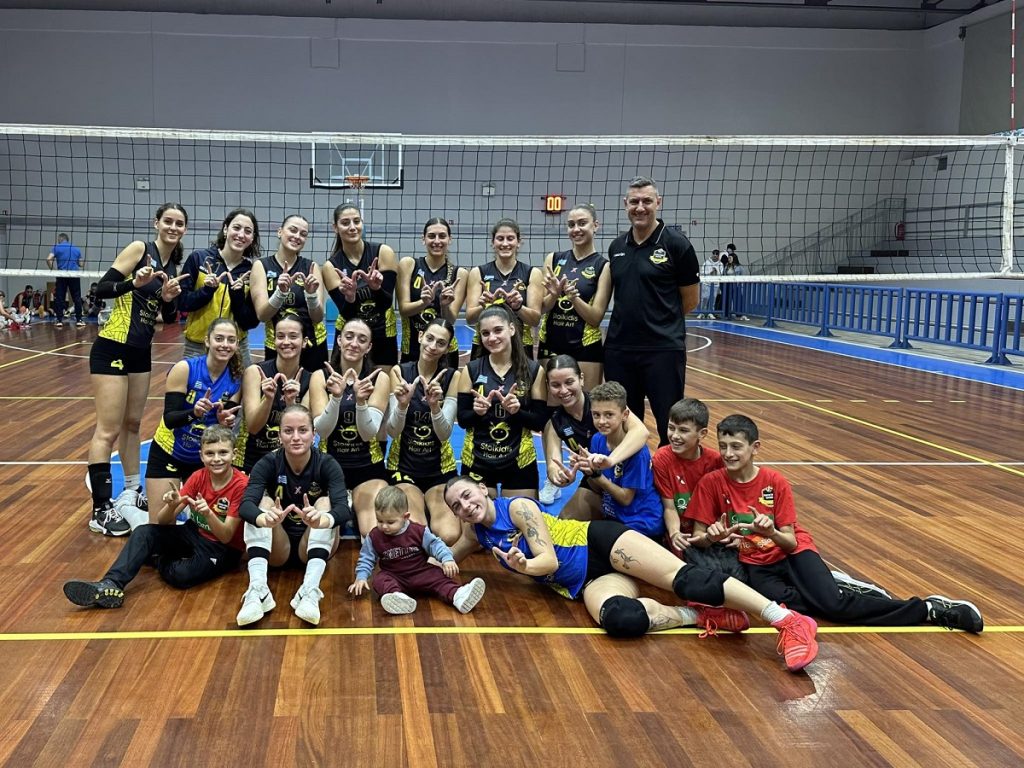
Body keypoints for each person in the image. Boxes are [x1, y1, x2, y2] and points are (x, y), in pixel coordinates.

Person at [443, 476, 820, 672]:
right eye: (456, 506)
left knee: (684, 579)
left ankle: (786, 620)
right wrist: (424, 562)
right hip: (585, 582)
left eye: (467, 495)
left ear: (482, 489)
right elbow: (449, 556)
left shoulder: (518, 508)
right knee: (621, 619)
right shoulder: (477, 534)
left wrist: (522, 566)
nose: (465, 506)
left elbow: (549, 562)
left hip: (598, 542)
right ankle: (702, 616)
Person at [684, 414, 983, 633]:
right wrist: (712, 536)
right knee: (796, 605)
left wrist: (771, 531)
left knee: (834, 607)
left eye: (736, 446)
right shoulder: (712, 482)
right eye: (723, 446)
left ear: (755, 447)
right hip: (756, 565)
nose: (728, 454)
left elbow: (789, 541)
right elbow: (699, 537)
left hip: (792, 553)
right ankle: (837, 587)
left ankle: (929, 610)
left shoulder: (775, 481)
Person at [62, 426, 247, 608]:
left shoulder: (241, 485)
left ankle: (155, 557)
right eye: (210, 453)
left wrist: (208, 514)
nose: (216, 459)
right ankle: (110, 583)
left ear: (234, 454)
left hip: (222, 548)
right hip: (194, 532)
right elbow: (163, 522)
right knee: (144, 533)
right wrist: (171, 505)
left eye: (223, 453)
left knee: (181, 576)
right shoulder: (199, 476)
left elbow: (226, 536)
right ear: (201, 456)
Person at [86, 202, 187, 537]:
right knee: (108, 430)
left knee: (132, 424)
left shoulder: (171, 266)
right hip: (113, 346)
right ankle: (100, 509)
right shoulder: (140, 250)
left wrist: (169, 298)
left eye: (179, 223)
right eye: (168, 221)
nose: (173, 227)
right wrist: (133, 282)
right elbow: (101, 289)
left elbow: (169, 320)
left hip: (141, 353)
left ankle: (131, 489)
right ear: (156, 223)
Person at [605, 176, 700, 445]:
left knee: (670, 425)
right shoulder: (617, 247)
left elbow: (690, 300)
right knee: (623, 425)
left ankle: (668, 473)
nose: (640, 207)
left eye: (647, 201)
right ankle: (627, 472)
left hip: (662, 350)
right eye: (634, 202)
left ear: (658, 202)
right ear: (625, 204)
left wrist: (660, 323)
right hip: (620, 350)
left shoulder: (677, 244)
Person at [237, 405, 350, 626]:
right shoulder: (268, 463)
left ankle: (309, 590)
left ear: (314, 434)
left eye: (303, 430)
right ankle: (258, 591)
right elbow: (245, 506)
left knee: (325, 503)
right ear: (279, 436)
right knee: (263, 503)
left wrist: (321, 520)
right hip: (279, 546)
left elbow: (343, 510)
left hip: (312, 542)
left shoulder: (327, 463)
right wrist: (264, 519)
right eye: (288, 431)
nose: (296, 437)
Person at [140, 318, 244, 529]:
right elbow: (170, 419)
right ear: (207, 341)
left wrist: (224, 422)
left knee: (206, 527)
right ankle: (127, 508)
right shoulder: (185, 369)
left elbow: (224, 424)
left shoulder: (236, 379)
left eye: (231, 340)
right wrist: (194, 413)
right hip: (169, 450)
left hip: (203, 459)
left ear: (236, 344)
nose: (225, 344)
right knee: (160, 525)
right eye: (219, 338)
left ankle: (185, 512)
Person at [348, 486, 486, 615]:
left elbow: (435, 545)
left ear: (406, 517)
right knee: (379, 580)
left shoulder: (418, 531)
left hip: (421, 573)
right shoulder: (374, 536)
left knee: (439, 575)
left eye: (390, 522)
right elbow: (366, 558)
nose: (384, 526)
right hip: (394, 576)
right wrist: (361, 577)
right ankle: (397, 597)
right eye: (379, 520)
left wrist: (447, 558)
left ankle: (458, 595)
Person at [456, 305, 548, 499]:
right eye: (485, 333)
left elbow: (539, 422)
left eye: (498, 330)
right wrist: (477, 412)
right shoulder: (471, 370)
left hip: (519, 461)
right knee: (477, 515)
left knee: (520, 516)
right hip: (478, 460)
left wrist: (517, 411)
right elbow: (463, 420)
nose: (492, 338)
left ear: (512, 329)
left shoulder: (533, 370)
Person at [385, 318, 462, 544]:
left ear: (447, 348)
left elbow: (444, 434)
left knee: (449, 534)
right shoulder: (400, 372)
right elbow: (392, 431)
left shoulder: (453, 377)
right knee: (416, 531)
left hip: (439, 469)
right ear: (420, 337)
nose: (432, 346)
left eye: (441, 343)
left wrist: (435, 406)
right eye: (429, 338)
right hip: (404, 467)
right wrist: (402, 405)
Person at [541, 355, 650, 510]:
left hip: (625, 474)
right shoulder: (555, 423)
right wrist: (562, 478)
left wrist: (610, 461)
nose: (563, 390)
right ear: (548, 386)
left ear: (581, 379)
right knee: (567, 520)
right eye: (556, 385)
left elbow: (642, 432)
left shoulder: (602, 402)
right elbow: (553, 467)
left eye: (569, 382)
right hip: (595, 477)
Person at [316, 317, 390, 537]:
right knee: (323, 533)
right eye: (349, 337)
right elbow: (322, 431)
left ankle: (355, 508)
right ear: (339, 340)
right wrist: (336, 398)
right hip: (328, 467)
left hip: (367, 468)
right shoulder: (321, 376)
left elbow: (368, 434)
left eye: (362, 339)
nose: (354, 343)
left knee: (372, 532)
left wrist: (360, 402)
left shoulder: (379, 378)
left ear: (369, 347)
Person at [234, 314, 327, 473]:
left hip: (289, 463)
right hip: (251, 459)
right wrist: (268, 399)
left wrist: (292, 403)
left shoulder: (311, 380)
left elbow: (302, 432)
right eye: (280, 336)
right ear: (274, 340)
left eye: (293, 336)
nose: (286, 342)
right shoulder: (255, 372)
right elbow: (253, 427)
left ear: (304, 341)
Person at [571, 381, 663, 538]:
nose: (601, 421)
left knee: (590, 539)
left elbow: (626, 499)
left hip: (641, 521)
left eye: (609, 415)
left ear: (625, 415)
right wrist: (587, 469)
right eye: (596, 415)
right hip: (615, 515)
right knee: (567, 528)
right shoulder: (597, 439)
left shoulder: (638, 452)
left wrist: (597, 475)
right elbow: (597, 487)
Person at [177, 208, 262, 367]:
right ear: (225, 229)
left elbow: (249, 322)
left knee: (245, 383)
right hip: (198, 345)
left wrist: (237, 296)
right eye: (236, 228)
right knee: (193, 383)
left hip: (235, 347)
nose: (241, 234)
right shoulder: (199, 259)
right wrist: (207, 290)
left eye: (248, 231)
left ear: (252, 238)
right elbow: (182, 303)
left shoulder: (252, 271)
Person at [539, 203, 611, 386]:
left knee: (586, 401)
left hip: (585, 346)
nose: (576, 229)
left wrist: (574, 298)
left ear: (595, 225)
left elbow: (595, 318)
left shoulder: (603, 266)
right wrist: (554, 295)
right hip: (551, 343)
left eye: (582, 223)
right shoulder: (553, 259)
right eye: (571, 225)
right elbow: (541, 308)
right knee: (550, 400)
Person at [323, 202, 399, 369]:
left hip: (382, 331)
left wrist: (376, 289)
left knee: (383, 381)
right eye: (345, 223)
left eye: (356, 221)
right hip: (350, 334)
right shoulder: (331, 267)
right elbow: (346, 313)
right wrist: (350, 297)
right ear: (335, 228)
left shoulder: (383, 253)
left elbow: (386, 303)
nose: (352, 227)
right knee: (346, 381)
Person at [250, 214, 329, 370]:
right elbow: (262, 315)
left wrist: (311, 296)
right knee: (279, 385)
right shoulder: (261, 266)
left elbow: (318, 317)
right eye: (293, 230)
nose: (297, 236)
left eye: (303, 234)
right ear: (280, 232)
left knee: (314, 385)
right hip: (279, 344)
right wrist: (280, 293)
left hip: (312, 343)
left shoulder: (311, 267)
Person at [653, 398, 725, 555]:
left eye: (683, 430)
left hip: (709, 532)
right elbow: (669, 507)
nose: (675, 436)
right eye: (671, 428)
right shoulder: (662, 458)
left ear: (702, 433)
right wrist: (675, 533)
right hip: (678, 530)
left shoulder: (716, 461)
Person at [465, 218, 543, 360]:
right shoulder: (478, 273)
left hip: (520, 345)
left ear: (518, 242)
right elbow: (470, 318)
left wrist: (518, 307)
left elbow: (535, 320)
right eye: (500, 239)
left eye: (510, 238)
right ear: (493, 242)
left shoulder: (532, 273)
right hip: (486, 345)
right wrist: (484, 306)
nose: (505, 243)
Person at [395, 217, 466, 368]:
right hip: (412, 347)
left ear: (450, 239)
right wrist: (423, 303)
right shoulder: (408, 264)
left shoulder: (460, 274)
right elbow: (403, 310)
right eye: (432, 236)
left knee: (444, 383)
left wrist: (444, 305)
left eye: (442, 236)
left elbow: (451, 320)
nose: (437, 241)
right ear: (424, 239)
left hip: (444, 350)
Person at [47, 232, 86, 328]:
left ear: (60, 239)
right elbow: (81, 264)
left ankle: (59, 320)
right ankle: (79, 320)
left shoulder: (56, 247)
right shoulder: (76, 249)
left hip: (62, 275)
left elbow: (48, 259)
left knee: (59, 298)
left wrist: (53, 270)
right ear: (67, 239)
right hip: (74, 275)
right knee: (77, 298)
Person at [721, 249, 750, 321]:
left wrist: (741, 285)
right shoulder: (727, 266)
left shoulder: (739, 267)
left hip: (736, 285)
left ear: (734, 258)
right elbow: (724, 275)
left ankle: (740, 314)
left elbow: (743, 276)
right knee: (727, 299)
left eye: (730, 258)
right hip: (728, 285)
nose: (728, 259)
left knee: (738, 300)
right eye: (728, 258)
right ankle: (727, 313)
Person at [697, 249, 722, 318]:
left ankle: (710, 313)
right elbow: (702, 272)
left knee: (713, 299)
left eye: (716, 254)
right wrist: (709, 272)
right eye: (714, 254)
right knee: (704, 298)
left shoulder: (720, 264)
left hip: (715, 284)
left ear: (718, 256)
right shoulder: (707, 262)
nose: (715, 255)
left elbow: (721, 274)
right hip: (706, 283)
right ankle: (702, 312)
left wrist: (716, 272)